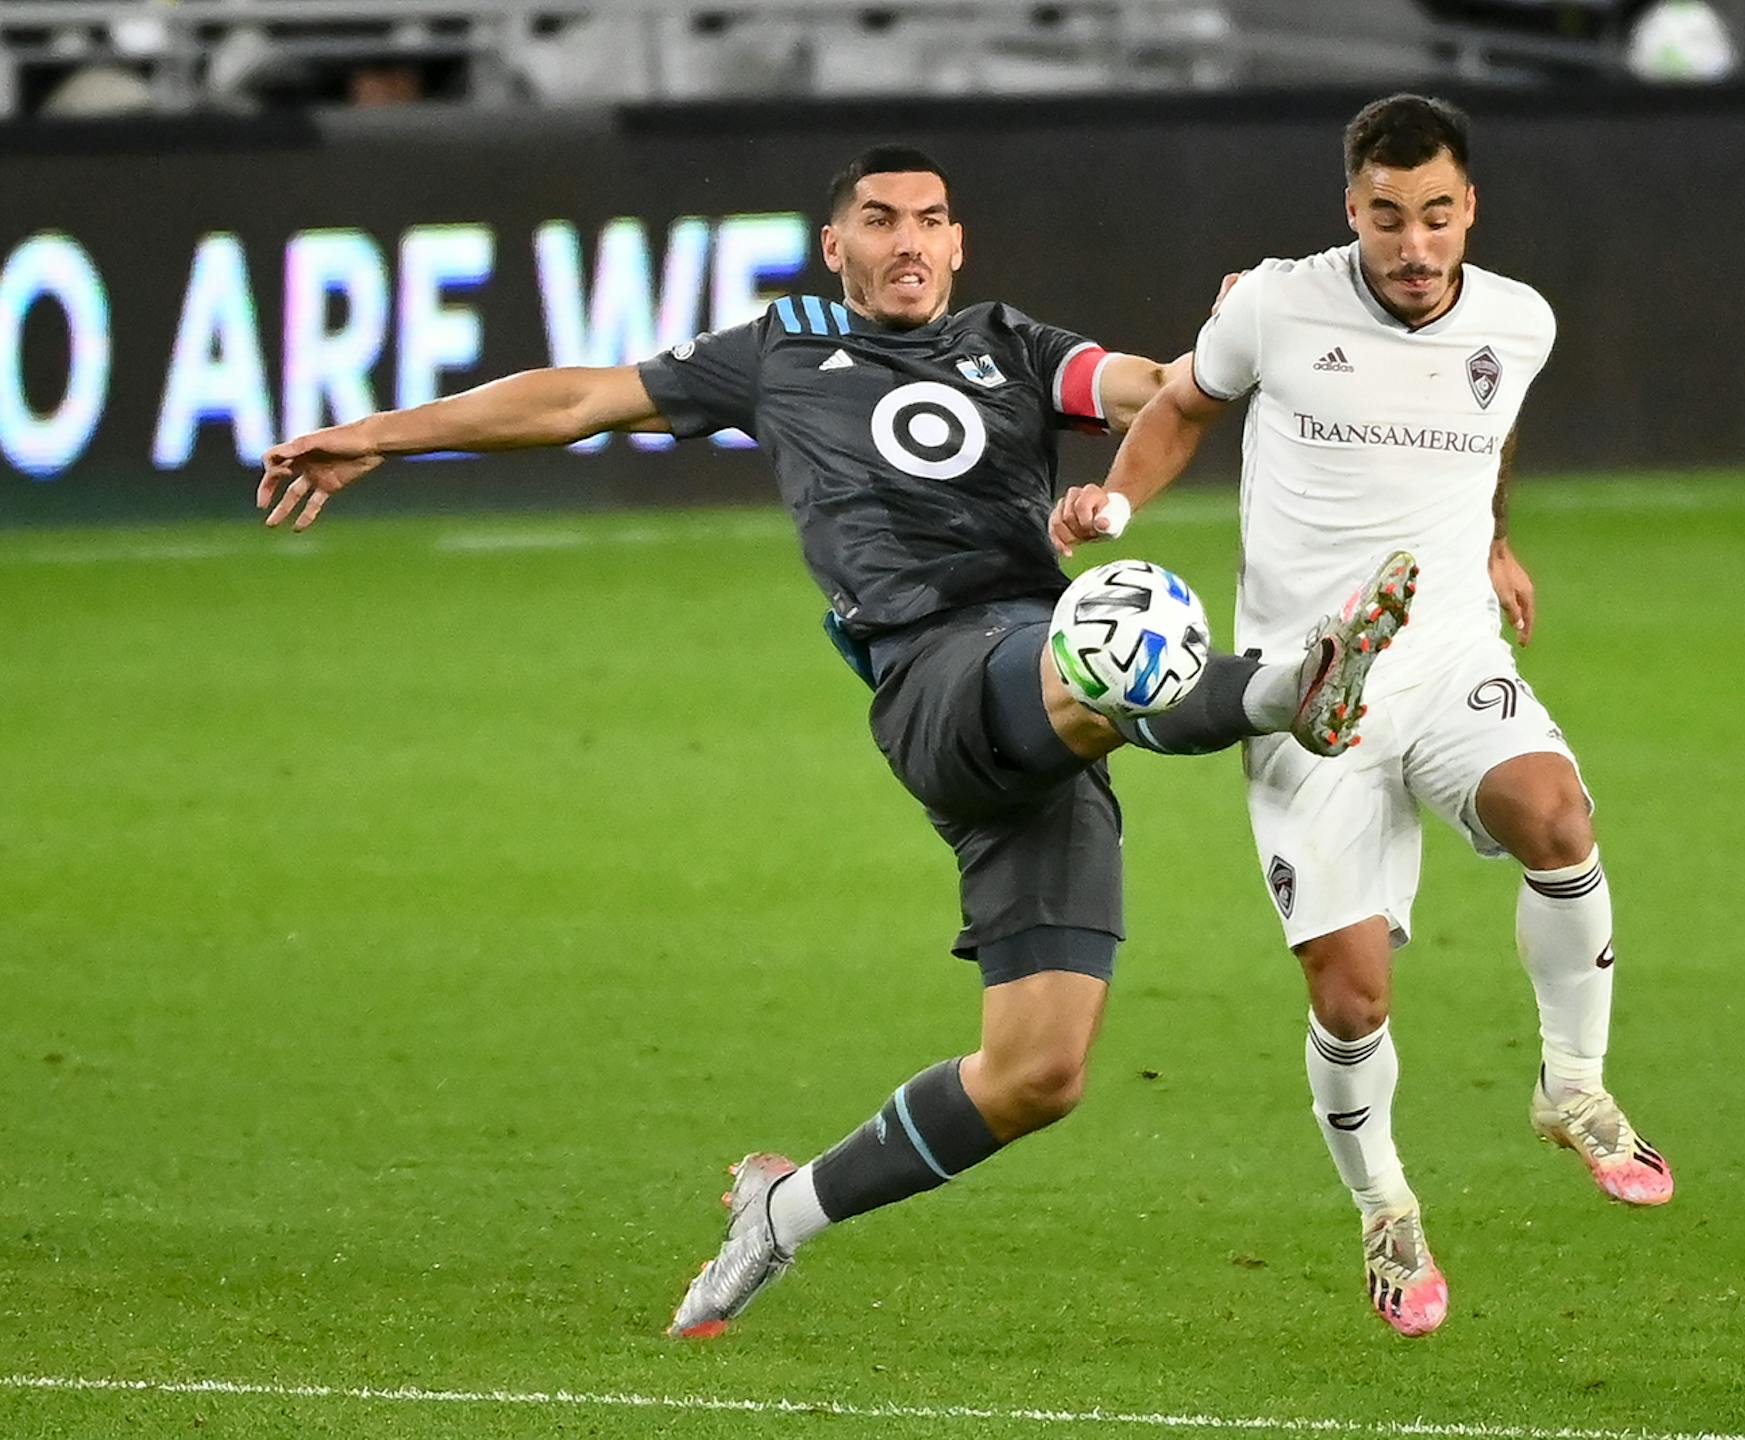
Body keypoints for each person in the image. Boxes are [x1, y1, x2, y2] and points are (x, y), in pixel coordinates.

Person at [256, 145, 1415, 1336]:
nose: (908, 242)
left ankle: (783, 1210)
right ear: (836, 246)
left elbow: (1160, 390)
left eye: (930, 221)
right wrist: (381, 435)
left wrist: (1242, 341)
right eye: (880, 221)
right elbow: (576, 400)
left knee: (1036, 1075)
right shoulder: (781, 352)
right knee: (1120, 631)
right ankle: (1287, 688)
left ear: (958, 245)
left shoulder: (1012, 346)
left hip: (1040, 717)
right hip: (933, 674)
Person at [1050, 95, 1672, 1340]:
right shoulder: (1275, 304)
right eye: (1387, 217)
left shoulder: (1518, 321)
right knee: (1352, 1000)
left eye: (1436, 215)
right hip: (1302, 686)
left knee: (1556, 816)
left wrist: (1491, 542)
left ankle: (1576, 1084)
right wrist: (1116, 506)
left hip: (1444, 653)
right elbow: (1178, 405)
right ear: (1353, 211)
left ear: (1468, 210)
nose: (1414, 244)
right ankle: (1386, 1206)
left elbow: (1484, 433)